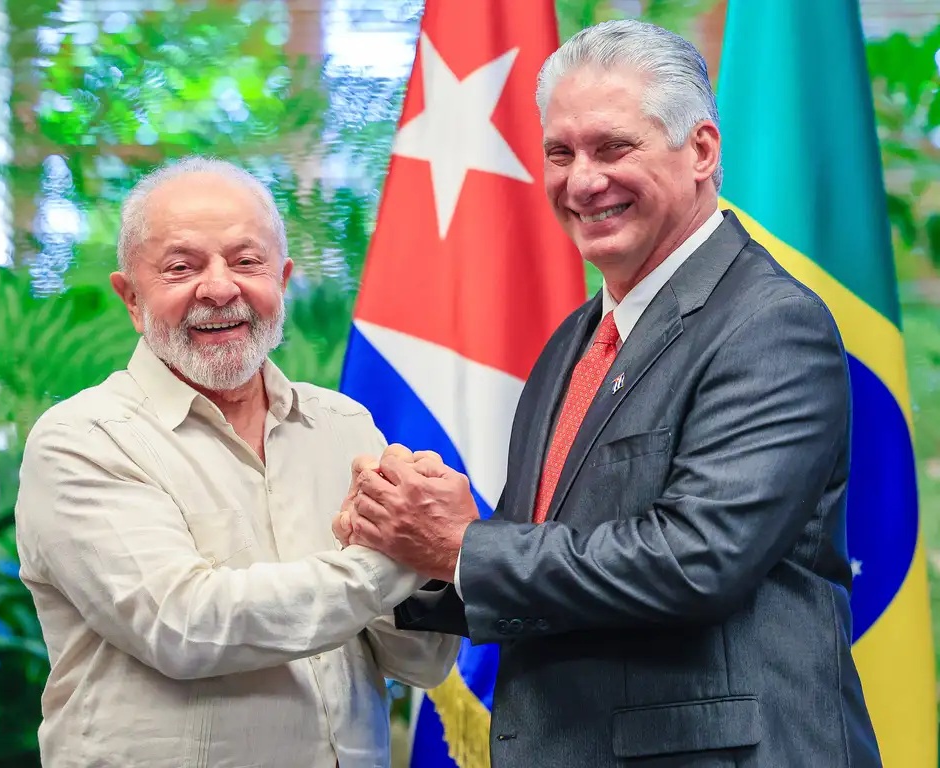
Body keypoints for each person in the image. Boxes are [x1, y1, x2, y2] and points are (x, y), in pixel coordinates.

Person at [335, 20, 882, 768]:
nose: (582, 180)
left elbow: (695, 560)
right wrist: (402, 551)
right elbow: (543, 563)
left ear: (702, 150)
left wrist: (462, 543)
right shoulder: (575, 340)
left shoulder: (770, 323)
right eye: (560, 153)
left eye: (613, 147)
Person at [14, 156, 459, 768]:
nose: (221, 288)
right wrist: (410, 553)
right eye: (181, 267)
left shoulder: (344, 426)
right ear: (131, 297)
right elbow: (185, 628)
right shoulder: (83, 440)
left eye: (247, 262)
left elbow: (419, 664)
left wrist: (434, 566)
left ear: (283, 279)